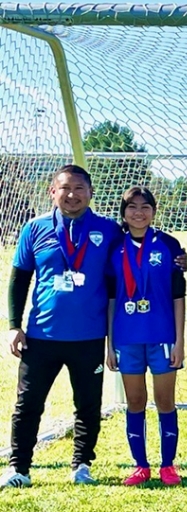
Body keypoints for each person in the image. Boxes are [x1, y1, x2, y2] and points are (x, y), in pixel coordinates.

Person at [2, 165, 123, 487]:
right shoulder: (35, 228)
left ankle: (82, 465)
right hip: (41, 336)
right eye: (65, 188)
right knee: (28, 404)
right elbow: (19, 280)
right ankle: (19, 468)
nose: (72, 195)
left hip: (90, 336)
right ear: (52, 192)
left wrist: (177, 257)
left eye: (79, 188)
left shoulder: (108, 230)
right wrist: (14, 325)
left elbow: (139, 247)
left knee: (87, 404)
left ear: (91, 192)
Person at [105, 186, 186, 486]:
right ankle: (140, 466)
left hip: (162, 336)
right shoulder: (115, 248)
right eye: (132, 207)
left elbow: (179, 295)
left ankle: (168, 465)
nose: (138, 212)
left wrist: (180, 340)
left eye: (145, 207)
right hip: (126, 338)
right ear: (124, 212)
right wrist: (110, 345)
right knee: (135, 401)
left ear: (154, 211)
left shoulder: (168, 244)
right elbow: (111, 299)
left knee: (165, 400)